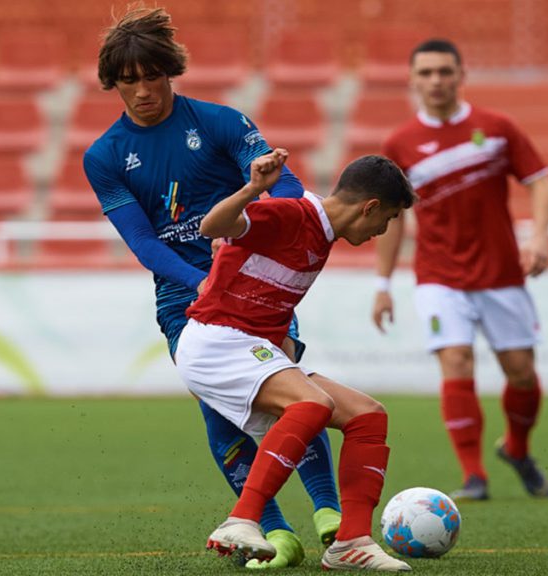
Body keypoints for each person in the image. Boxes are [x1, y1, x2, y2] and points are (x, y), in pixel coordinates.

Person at [82, 7, 340, 568]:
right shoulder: (103, 156)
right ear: (114, 84)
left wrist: (268, 205)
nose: (144, 90)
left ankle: (330, 516)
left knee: (290, 395)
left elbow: (284, 188)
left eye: (153, 76)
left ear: (170, 72)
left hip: (255, 282)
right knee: (220, 410)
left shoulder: (221, 122)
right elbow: (146, 245)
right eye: (130, 81)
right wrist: (204, 283)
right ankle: (272, 530)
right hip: (183, 295)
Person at [175, 151, 416, 571]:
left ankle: (351, 542)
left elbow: (270, 299)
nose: (383, 230)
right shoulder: (290, 214)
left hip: (250, 346)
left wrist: (285, 359)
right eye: (389, 219)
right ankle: (243, 520)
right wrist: (253, 189)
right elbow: (211, 227)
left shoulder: (322, 237)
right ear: (370, 207)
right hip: (216, 342)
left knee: (368, 416)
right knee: (312, 404)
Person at [372, 38, 548, 501]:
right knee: (456, 361)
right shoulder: (399, 144)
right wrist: (382, 283)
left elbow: (540, 182)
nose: (436, 81)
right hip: (439, 275)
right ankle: (474, 475)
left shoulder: (496, 128)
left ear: (461, 75)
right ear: (413, 80)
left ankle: (516, 448)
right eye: (427, 73)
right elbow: (390, 220)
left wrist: (538, 238)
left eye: (445, 72)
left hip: (500, 274)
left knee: (521, 373)